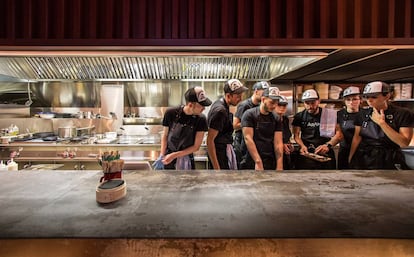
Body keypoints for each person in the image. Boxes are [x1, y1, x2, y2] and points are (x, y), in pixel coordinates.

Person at [349, 81, 414, 170]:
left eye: (374, 97)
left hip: (390, 158)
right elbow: (357, 138)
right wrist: (351, 158)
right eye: (366, 97)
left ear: (387, 96)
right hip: (364, 157)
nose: (369, 100)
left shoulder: (403, 114)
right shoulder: (362, 114)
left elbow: (403, 143)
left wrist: (382, 123)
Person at [155, 86, 212, 170]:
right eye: (201, 105)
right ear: (190, 105)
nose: (204, 108)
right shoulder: (170, 113)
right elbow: (165, 135)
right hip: (168, 159)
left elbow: (196, 147)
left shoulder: (201, 119)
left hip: (187, 160)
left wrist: (174, 155)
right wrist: (162, 155)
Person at [207, 79, 248, 170]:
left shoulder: (223, 105)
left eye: (241, 96)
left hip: (223, 151)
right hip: (219, 154)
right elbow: (210, 141)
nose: (240, 99)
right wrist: (217, 168)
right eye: (238, 96)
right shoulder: (220, 111)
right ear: (228, 96)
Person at [292, 89, 338, 169]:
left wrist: (328, 145)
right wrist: (302, 146)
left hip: (325, 152)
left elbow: (339, 134)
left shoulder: (328, 115)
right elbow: (296, 135)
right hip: (307, 153)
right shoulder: (299, 116)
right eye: (307, 103)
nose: (310, 106)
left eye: (313, 103)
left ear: (318, 101)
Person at [241, 87, 284, 170]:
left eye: (277, 103)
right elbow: (248, 138)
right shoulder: (249, 114)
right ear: (263, 99)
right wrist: (258, 161)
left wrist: (279, 164)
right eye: (272, 103)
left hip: (269, 160)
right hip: (251, 160)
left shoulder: (276, 118)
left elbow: (278, 142)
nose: (275, 106)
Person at [233, 81, 270, 168]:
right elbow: (235, 125)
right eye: (263, 92)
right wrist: (249, 124)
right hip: (242, 143)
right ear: (256, 91)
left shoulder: (261, 106)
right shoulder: (244, 105)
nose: (265, 94)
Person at [336, 86, 362, 169]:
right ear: (344, 101)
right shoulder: (339, 114)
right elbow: (338, 133)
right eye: (348, 99)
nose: (351, 102)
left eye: (354, 99)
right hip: (344, 151)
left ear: (360, 100)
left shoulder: (366, 114)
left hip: (362, 152)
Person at [274, 95, 295, 169]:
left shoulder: (285, 119)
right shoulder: (271, 119)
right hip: (274, 154)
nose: (282, 108)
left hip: (285, 154)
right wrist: (282, 145)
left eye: (284, 105)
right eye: (279, 105)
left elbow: (286, 135)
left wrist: (289, 143)